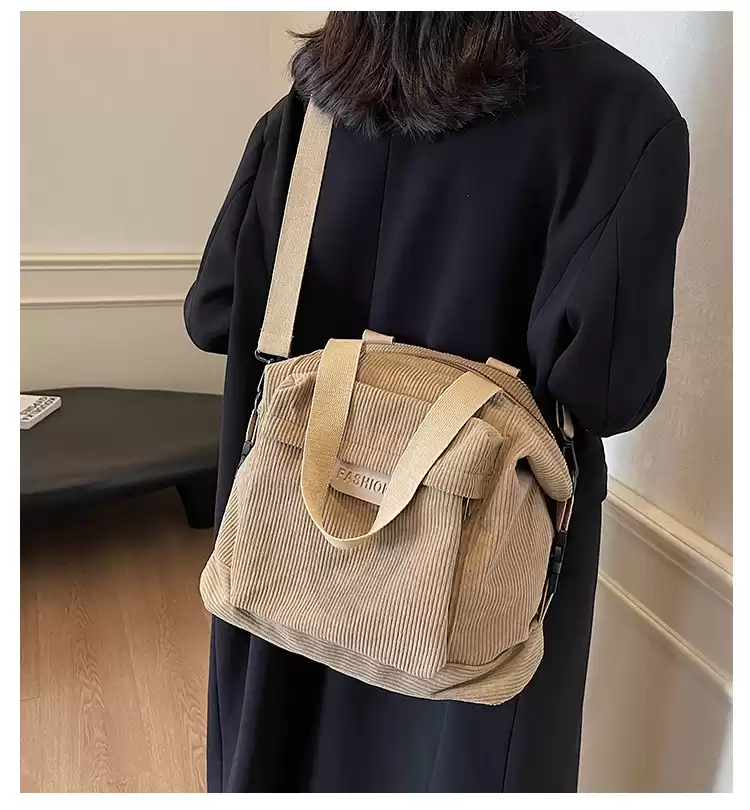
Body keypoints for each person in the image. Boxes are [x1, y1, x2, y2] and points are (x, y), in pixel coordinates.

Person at [184, 11, 689, 792]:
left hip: (289, 568)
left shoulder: (315, 105)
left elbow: (214, 314)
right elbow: (609, 392)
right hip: (473, 599)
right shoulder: (621, 114)